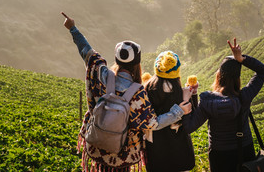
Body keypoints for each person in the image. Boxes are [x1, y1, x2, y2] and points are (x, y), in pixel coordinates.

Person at [61, 12, 192, 172]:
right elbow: (153, 124)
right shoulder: (138, 94)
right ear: (137, 64)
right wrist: (178, 111)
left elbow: (86, 52)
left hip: (96, 147)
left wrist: (72, 28)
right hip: (123, 155)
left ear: (117, 59)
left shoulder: (101, 73)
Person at [182, 38, 264, 172]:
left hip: (219, 155)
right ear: (237, 78)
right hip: (244, 150)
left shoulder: (207, 101)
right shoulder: (244, 96)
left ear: (219, 75)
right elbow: (262, 71)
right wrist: (241, 59)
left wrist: (188, 99)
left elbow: (189, 127)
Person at [144, 50, 196, 172]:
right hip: (180, 154)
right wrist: (192, 96)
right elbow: (192, 121)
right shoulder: (180, 93)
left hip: (156, 155)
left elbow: (149, 122)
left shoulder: (147, 90)